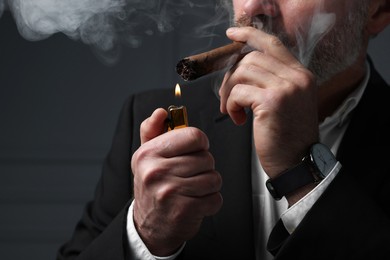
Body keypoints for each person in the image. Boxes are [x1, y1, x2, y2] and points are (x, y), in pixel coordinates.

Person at [57, 0, 390, 259]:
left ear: (378, 9)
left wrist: (304, 175)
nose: (252, 8)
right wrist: (145, 233)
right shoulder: (151, 119)